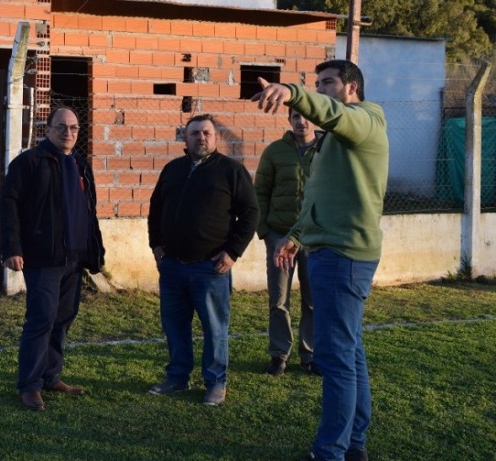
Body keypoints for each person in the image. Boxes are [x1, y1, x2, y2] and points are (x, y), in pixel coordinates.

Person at [251, 60, 389, 461]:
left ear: (351, 87)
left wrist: (293, 92)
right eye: (317, 84)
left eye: (328, 82)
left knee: (335, 358)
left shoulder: (366, 120)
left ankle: (330, 451)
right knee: (351, 351)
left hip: (342, 257)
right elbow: (317, 198)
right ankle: (354, 444)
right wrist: (295, 236)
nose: (321, 90)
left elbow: (330, 112)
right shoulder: (334, 138)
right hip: (329, 250)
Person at [0, 106, 105, 412]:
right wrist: (11, 248)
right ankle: (29, 386)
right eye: (61, 127)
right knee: (42, 318)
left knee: (63, 318)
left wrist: (94, 250)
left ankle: (50, 376)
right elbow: (9, 207)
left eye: (73, 128)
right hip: (43, 258)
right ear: (48, 129)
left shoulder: (82, 165)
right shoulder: (30, 163)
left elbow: (89, 211)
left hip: (74, 257)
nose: (68, 133)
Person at [147, 113, 258, 406]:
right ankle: (177, 377)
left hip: (210, 267)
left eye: (207, 132)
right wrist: (155, 243)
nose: (201, 137)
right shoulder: (173, 169)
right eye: (194, 133)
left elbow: (250, 213)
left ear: (215, 137)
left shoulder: (231, 171)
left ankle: (215, 382)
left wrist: (233, 252)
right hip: (172, 267)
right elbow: (156, 208)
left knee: (214, 328)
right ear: (185, 137)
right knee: (175, 325)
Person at [254, 109, 323, 377]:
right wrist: (266, 232)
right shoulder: (274, 151)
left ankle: (311, 354)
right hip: (280, 237)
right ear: (289, 120)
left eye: (305, 116)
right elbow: (260, 192)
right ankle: (279, 354)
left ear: (313, 119)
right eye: (295, 116)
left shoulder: (327, 150)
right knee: (279, 298)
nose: (301, 121)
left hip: (313, 237)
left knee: (313, 300)